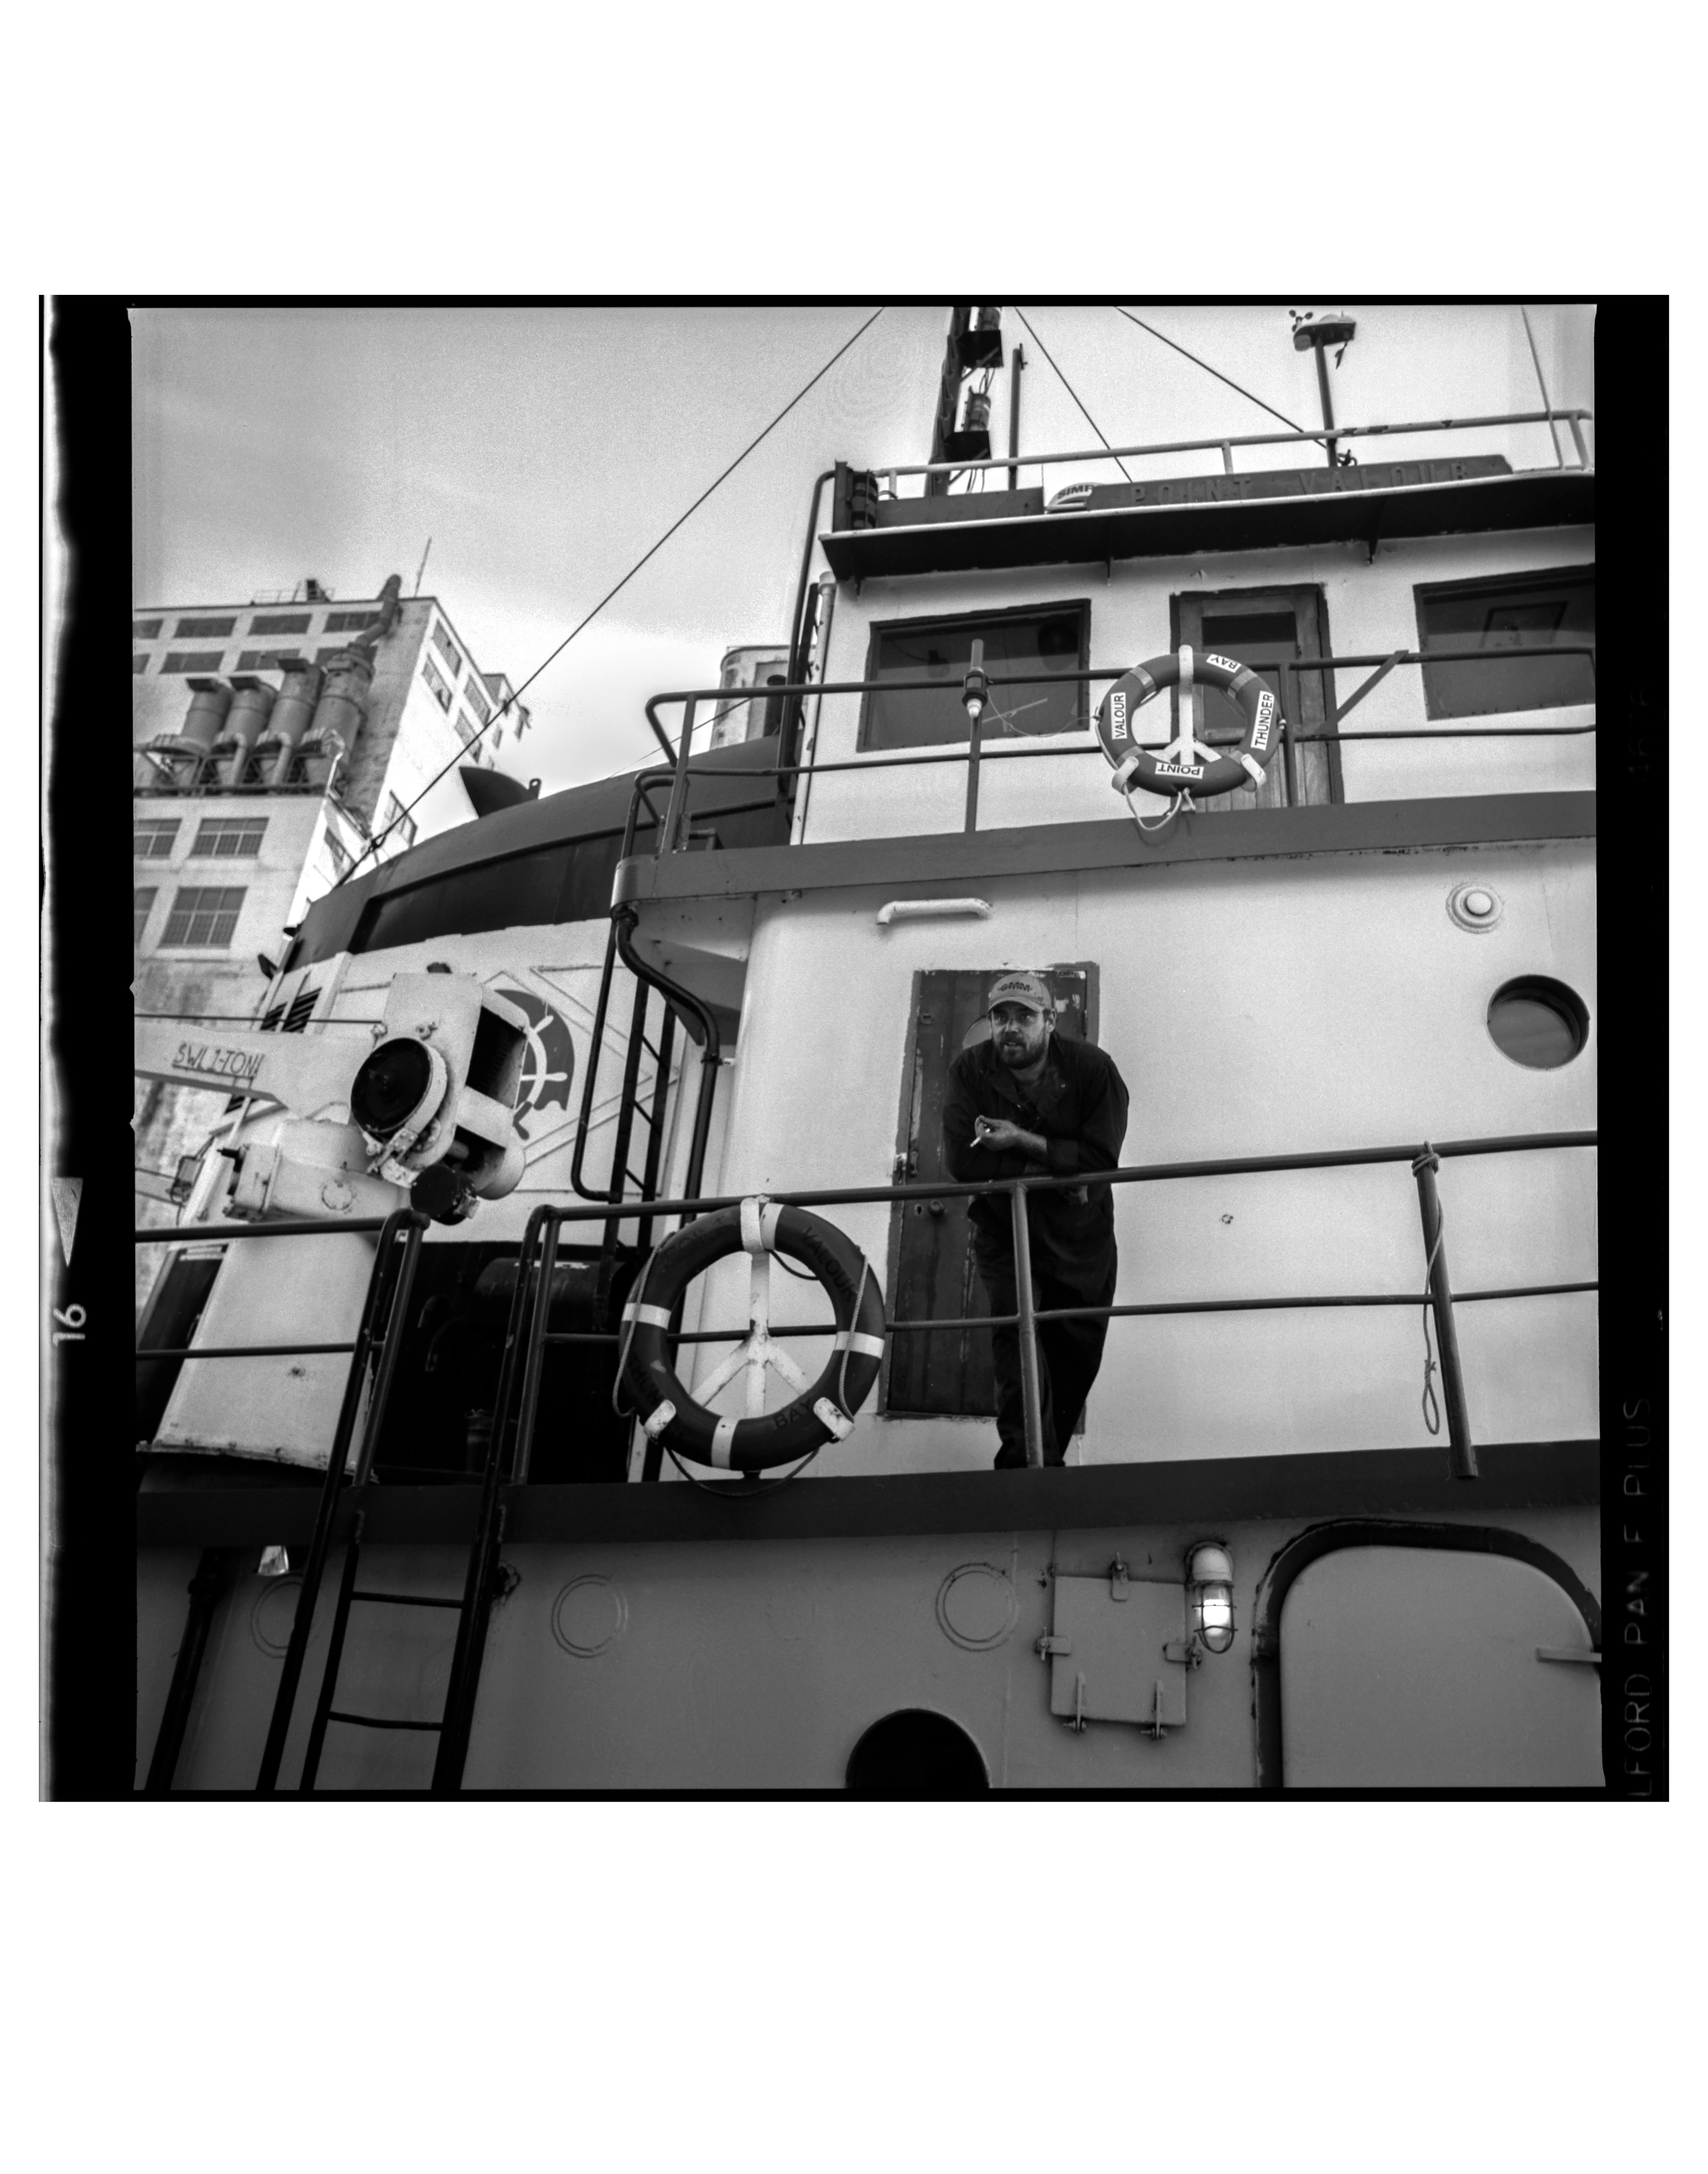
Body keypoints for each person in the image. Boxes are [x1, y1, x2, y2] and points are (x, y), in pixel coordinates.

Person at [941, 972, 1130, 1468]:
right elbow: (963, 1161)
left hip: (1080, 1238)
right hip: (1007, 1229)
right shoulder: (971, 1071)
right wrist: (1050, 1171)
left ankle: (1046, 1463)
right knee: (1016, 1334)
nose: (1011, 1028)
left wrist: (1019, 1140)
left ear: (1050, 1020)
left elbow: (1100, 1161)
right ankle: (1024, 1465)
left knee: (1076, 1352)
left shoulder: (1093, 1069)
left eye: (1024, 1016)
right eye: (1001, 1017)